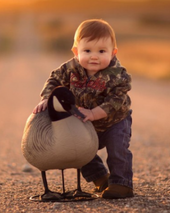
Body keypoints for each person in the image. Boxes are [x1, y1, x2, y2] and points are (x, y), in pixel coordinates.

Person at [33, 19, 133, 199]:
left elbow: (117, 100)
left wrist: (95, 113)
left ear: (113, 53)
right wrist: (47, 98)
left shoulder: (118, 74)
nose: (94, 56)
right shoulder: (70, 69)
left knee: (118, 150)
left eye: (102, 51)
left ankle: (121, 183)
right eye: (87, 51)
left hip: (114, 122)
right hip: (84, 121)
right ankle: (101, 178)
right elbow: (54, 80)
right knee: (80, 150)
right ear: (76, 51)